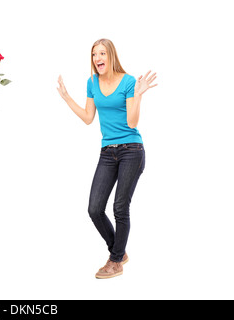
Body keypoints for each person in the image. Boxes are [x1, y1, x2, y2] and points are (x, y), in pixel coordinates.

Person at [56, 38, 157, 279]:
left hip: (132, 151)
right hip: (107, 152)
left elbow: (132, 123)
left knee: (120, 207)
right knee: (94, 208)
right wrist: (67, 97)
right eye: (94, 54)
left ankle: (115, 261)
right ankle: (119, 252)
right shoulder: (92, 82)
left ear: (111, 56)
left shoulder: (129, 81)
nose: (97, 58)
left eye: (102, 53)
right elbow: (88, 117)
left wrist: (139, 95)